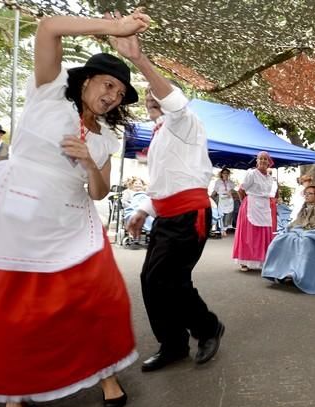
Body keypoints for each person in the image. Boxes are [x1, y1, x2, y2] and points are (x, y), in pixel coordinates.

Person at [0, 12, 147, 407]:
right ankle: (14, 396)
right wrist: (113, 28)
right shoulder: (48, 91)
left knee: (99, 296)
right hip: (17, 212)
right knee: (15, 307)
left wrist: (87, 161)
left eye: (120, 92)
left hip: (71, 216)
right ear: (87, 80)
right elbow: (48, 27)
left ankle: (106, 376)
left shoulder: (107, 138)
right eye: (108, 84)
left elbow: (98, 191)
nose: (113, 95)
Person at [118, 22, 225, 373]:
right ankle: (173, 343)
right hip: (166, 215)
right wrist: (143, 210)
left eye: (157, 94)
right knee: (152, 280)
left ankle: (207, 328)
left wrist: (140, 61)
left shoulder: (185, 122)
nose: (151, 96)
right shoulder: (160, 135)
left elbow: (175, 104)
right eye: (147, 94)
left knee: (169, 280)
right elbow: (163, 181)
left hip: (188, 213)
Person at [232, 151, 276, 271]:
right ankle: (244, 261)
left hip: (264, 206)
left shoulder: (270, 177)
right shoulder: (251, 173)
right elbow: (241, 190)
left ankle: (262, 260)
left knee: (264, 232)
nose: (262, 161)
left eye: (265, 159)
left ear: (268, 162)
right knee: (249, 233)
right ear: (256, 161)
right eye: (260, 158)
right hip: (251, 205)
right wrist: (244, 205)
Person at [212, 168, 236, 234]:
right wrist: (211, 197)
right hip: (221, 199)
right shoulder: (218, 181)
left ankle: (225, 229)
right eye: (224, 173)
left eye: (227, 173)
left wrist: (231, 193)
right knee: (220, 214)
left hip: (229, 200)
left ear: (228, 174)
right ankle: (219, 229)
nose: (225, 174)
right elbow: (215, 191)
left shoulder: (230, 182)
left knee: (228, 214)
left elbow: (233, 191)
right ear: (221, 174)